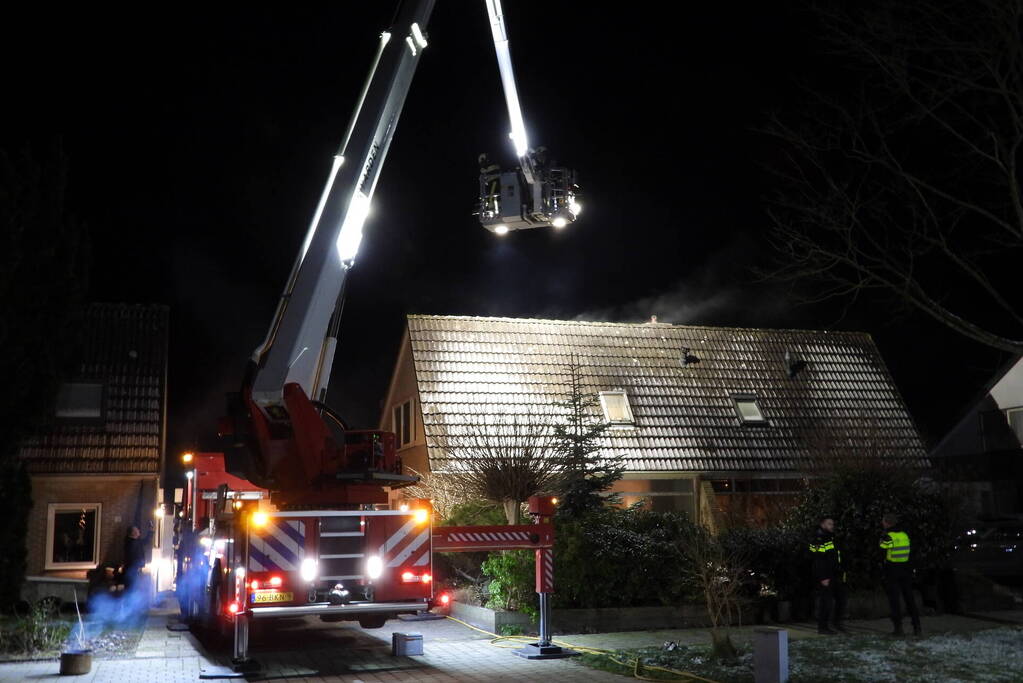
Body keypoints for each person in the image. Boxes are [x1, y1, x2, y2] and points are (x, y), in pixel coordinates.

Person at [880, 513, 921, 636]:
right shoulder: (904, 535)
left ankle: (898, 628)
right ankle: (917, 626)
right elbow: (912, 552)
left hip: (892, 570)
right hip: (905, 570)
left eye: (883, 522)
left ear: (887, 523)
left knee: (895, 600)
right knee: (909, 599)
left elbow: (881, 551)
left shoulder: (888, 536)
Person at [809, 516, 847, 634]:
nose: (832, 526)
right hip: (826, 576)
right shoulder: (818, 538)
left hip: (835, 574)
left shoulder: (830, 537)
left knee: (841, 599)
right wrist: (822, 577)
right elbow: (818, 559)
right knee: (826, 602)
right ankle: (823, 627)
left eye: (832, 524)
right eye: (829, 524)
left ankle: (836, 623)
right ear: (822, 524)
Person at [122, 521, 154, 591]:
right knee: (131, 589)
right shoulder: (131, 543)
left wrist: (150, 530)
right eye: (137, 530)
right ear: (133, 533)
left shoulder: (134, 541)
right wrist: (137, 566)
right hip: (132, 571)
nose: (139, 531)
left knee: (133, 589)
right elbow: (132, 558)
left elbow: (146, 541)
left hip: (134, 570)